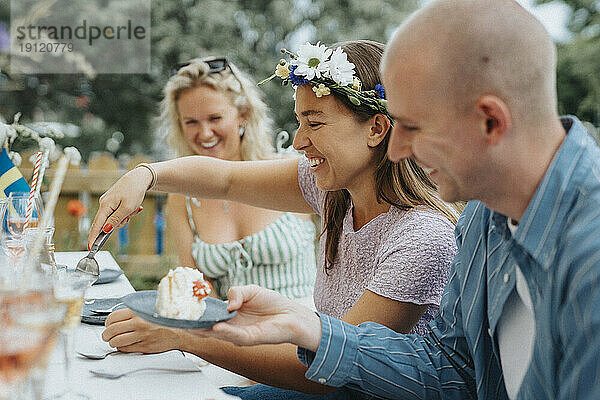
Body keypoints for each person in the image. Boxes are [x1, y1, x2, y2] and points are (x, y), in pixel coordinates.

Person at [182, 1, 600, 399]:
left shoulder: (588, 257)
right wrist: (310, 329)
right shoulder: (481, 218)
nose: (396, 149)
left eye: (412, 126)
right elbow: (452, 371)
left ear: (490, 121)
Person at [90, 40, 462, 397]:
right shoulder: (333, 192)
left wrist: (183, 336)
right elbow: (227, 178)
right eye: (299, 123)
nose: (299, 141)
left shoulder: (422, 238)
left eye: (314, 124)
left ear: (377, 129)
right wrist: (144, 175)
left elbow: (329, 370)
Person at [160, 58, 317, 304]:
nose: (204, 133)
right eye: (191, 122)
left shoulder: (292, 169)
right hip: (231, 333)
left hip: (304, 331)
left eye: (214, 118)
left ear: (242, 114)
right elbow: (196, 283)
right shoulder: (182, 195)